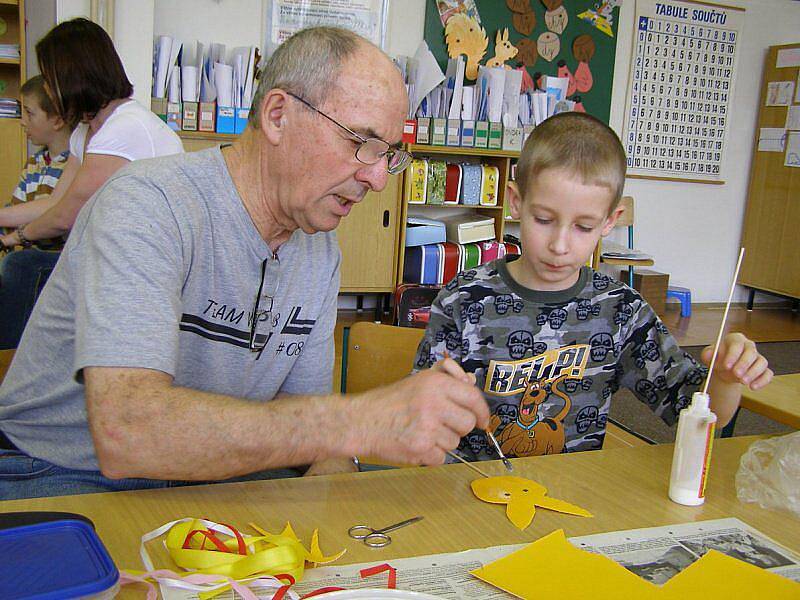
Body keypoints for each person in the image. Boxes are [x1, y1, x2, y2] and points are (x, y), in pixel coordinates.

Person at [0, 26, 489, 500]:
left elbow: (305, 423)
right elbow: (129, 431)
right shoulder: (148, 204)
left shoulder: (319, 252)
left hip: (213, 479)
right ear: (277, 115)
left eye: (389, 155)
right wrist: (362, 422)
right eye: (360, 142)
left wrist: (339, 469)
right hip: (60, 472)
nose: (378, 178)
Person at [413, 112, 772, 462]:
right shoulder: (464, 298)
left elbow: (691, 413)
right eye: (543, 220)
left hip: (573, 495)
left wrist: (725, 378)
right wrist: (433, 400)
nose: (560, 245)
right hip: (471, 488)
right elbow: (421, 410)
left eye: (583, 227)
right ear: (516, 201)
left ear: (609, 222)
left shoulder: (620, 310)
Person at [0, 18, 183, 252]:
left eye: (48, 80)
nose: (46, 89)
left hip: (154, 253)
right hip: (124, 247)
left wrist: (14, 238)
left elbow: (65, 217)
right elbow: (57, 204)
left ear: (71, 78)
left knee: (23, 266)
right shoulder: (85, 130)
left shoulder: (124, 127)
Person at [0, 75, 71, 349]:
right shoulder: (35, 164)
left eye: (29, 113)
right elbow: (16, 211)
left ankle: (7, 358)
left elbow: (55, 215)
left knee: (18, 265)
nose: (22, 122)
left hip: (55, 255)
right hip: (27, 246)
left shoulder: (75, 165)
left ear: (57, 120)